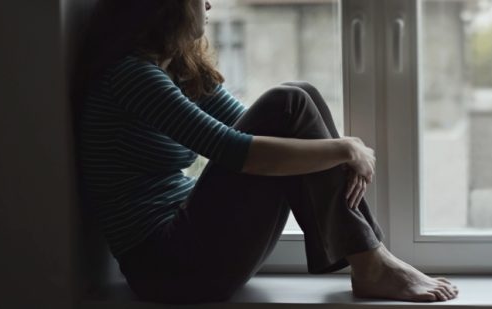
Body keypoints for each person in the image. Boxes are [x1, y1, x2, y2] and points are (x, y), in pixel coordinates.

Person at [75, 0, 458, 304]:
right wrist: (344, 149)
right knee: (290, 101)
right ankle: (371, 262)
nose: (208, 6)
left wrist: (338, 151)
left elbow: (255, 125)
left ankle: (370, 260)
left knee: (300, 95)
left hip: (190, 253)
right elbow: (235, 150)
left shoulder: (174, 69)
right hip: (168, 267)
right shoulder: (131, 77)